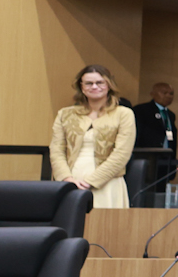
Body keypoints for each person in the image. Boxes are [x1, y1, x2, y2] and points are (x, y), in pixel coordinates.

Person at [51, 64, 136, 208]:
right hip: (70, 182)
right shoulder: (65, 114)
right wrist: (67, 179)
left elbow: (122, 154)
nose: (94, 86)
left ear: (109, 85)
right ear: (82, 87)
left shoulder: (123, 114)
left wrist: (90, 182)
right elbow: (56, 150)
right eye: (89, 83)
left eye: (100, 82)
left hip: (107, 183)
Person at [130, 82, 178, 197]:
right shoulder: (141, 110)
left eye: (171, 93)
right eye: (164, 93)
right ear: (153, 94)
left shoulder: (170, 115)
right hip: (147, 159)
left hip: (165, 160)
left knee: (160, 193)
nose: (168, 96)